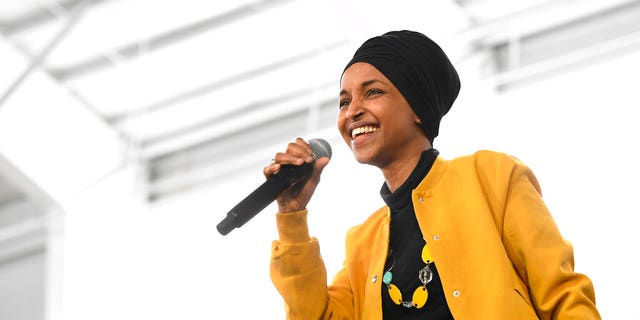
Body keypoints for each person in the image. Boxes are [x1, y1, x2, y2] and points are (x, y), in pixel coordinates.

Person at [264, 30, 600, 319]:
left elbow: (564, 296)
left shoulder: (491, 177)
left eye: (374, 92)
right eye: (343, 101)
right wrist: (291, 214)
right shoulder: (363, 244)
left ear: (418, 108)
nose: (352, 111)